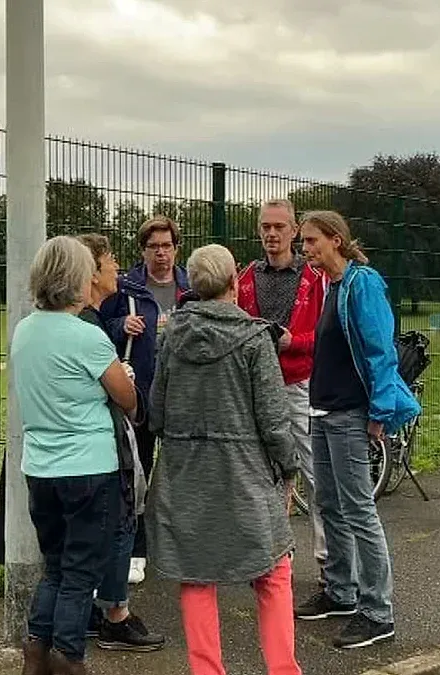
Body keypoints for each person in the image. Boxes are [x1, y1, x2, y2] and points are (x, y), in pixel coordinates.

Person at [147, 244, 303, 675]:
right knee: (273, 571)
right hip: (246, 474)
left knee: (196, 576)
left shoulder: (171, 338)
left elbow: (156, 412)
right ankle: (283, 669)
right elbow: (275, 421)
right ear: (235, 282)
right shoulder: (255, 339)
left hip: (186, 473)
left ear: (193, 285)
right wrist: (289, 468)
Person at [293, 211, 420, 650]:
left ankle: (376, 611)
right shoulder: (331, 286)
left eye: (311, 241)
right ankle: (340, 592)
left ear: (335, 240)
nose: (305, 249)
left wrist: (380, 413)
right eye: (304, 243)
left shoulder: (361, 284)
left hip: (349, 414)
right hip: (323, 411)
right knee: (327, 503)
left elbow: (380, 349)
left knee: (358, 510)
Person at [11, 236, 138, 675]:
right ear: (75, 280)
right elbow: (127, 400)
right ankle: (69, 659)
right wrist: (126, 378)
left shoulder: (24, 330)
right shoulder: (89, 337)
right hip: (89, 468)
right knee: (81, 574)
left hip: (40, 469)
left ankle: (35, 656)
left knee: (56, 568)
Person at [75, 234, 166, 653]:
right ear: (90, 272)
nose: (116, 266)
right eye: (109, 260)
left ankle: (91, 613)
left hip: (81, 446)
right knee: (119, 516)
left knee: (91, 528)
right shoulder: (90, 327)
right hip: (105, 436)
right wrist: (126, 383)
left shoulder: (44, 324)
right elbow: (120, 394)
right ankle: (114, 615)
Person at [236, 199, 327, 585]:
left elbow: (328, 333)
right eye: (265, 227)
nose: (271, 234)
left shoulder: (314, 279)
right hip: (256, 386)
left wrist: (296, 342)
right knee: (261, 475)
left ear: (293, 230)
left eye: (279, 227)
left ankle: (328, 564)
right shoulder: (245, 279)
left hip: (299, 383)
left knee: (314, 472)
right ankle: (272, 561)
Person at [98, 215, 190, 584]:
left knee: (183, 473)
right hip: (141, 394)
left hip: (183, 394)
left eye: (167, 246)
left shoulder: (190, 286)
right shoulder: (126, 288)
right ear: (143, 250)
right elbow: (94, 328)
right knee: (138, 474)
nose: (161, 253)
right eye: (154, 247)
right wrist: (121, 327)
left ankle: (180, 544)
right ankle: (136, 549)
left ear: (176, 248)